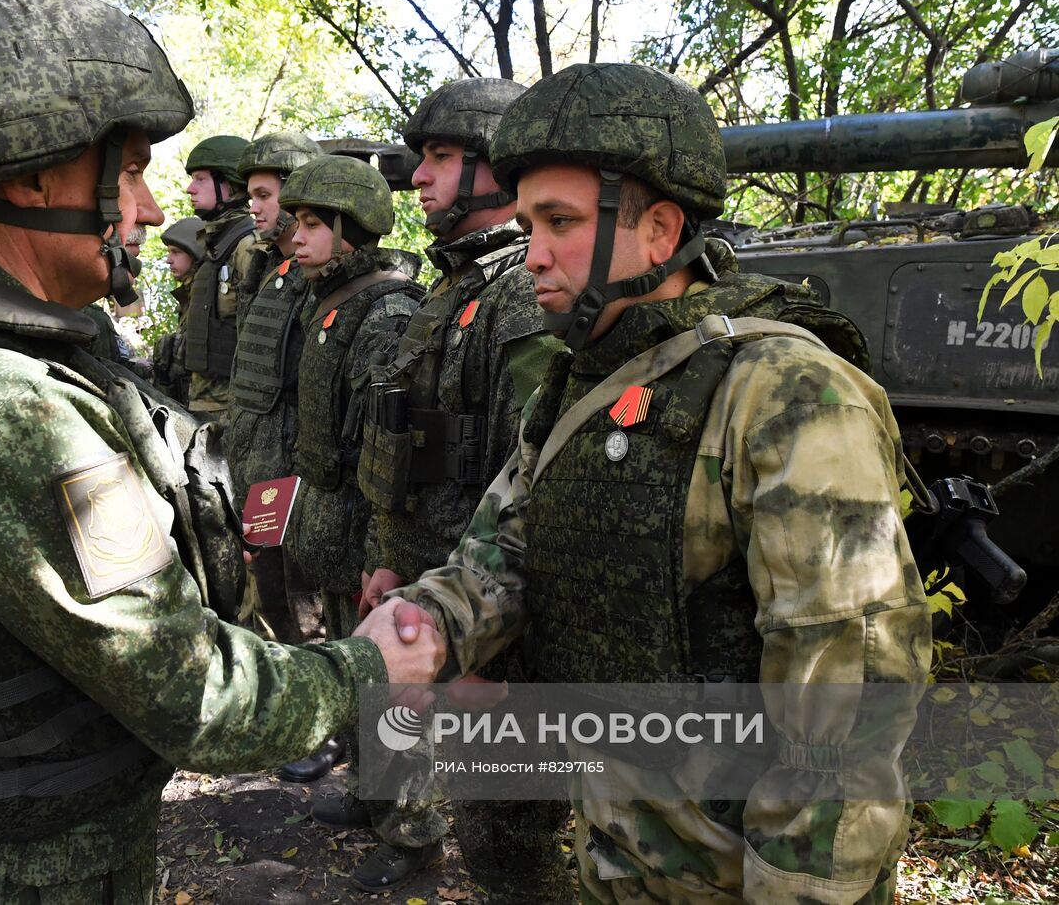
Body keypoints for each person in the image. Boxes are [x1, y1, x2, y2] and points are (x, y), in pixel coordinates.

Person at [0, 0, 445, 904]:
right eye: (128, 171)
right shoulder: (2, 406)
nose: (143, 207)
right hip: (38, 872)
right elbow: (198, 697)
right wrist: (371, 666)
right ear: (31, 177)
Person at [384, 62, 930, 903]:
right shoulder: (575, 387)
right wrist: (423, 627)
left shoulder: (785, 395)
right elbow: (501, 555)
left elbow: (848, 701)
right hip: (617, 854)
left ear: (660, 229)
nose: (532, 255)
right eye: (528, 222)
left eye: (559, 221)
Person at [354, 77, 571, 904]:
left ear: (491, 168)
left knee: (509, 840)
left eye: (440, 158)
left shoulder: (521, 291)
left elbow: (535, 483)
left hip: (485, 620)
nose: (417, 177)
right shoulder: (452, 288)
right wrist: (384, 556)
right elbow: (394, 432)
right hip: (428, 587)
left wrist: (493, 651)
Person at [274, 154, 446, 892]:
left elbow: (385, 449)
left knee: (391, 690)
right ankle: (376, 797)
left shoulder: (386, 310)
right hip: (334, 523)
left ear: (354, 231)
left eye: (314, 224)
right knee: (358, 674)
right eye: (296, 222)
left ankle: (414, 833)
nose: (296, 237)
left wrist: (385, 547)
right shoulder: (329, 301)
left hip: (372, 526)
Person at [225, 130, 323, 647]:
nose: (254, 208)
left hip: (296, 480)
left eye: (265, 196)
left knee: (302, 616)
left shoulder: (323, 278)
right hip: (260, 470)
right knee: (269, 606)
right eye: (251, 196)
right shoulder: (268, 269)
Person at [182, 134, 256, 423]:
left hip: (230, 409)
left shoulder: (247, 244)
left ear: (229, 184)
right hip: (205, 402)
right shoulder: (216, 243)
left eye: (200, 179)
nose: (190, 188)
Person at [152, 216, 205, 403]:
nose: (168, 260)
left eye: (175, 252)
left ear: (195, 253)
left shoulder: (205, 298)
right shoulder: (190, 297)